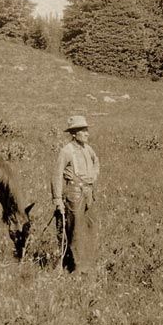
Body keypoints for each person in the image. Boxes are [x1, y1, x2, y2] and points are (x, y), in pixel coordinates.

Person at [51, 115, 100, 274]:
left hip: (88, 193)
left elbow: (96, 162)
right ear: (74, 134)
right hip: (74, 193)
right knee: (76, 229)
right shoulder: (66, 151)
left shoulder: (88, 149)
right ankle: (78, 267)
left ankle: (89, 264)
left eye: (86, 130)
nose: (86, 133)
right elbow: (57, 174)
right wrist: (57, 199)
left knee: (91, 227)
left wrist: (93, 176)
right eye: (82, 130)